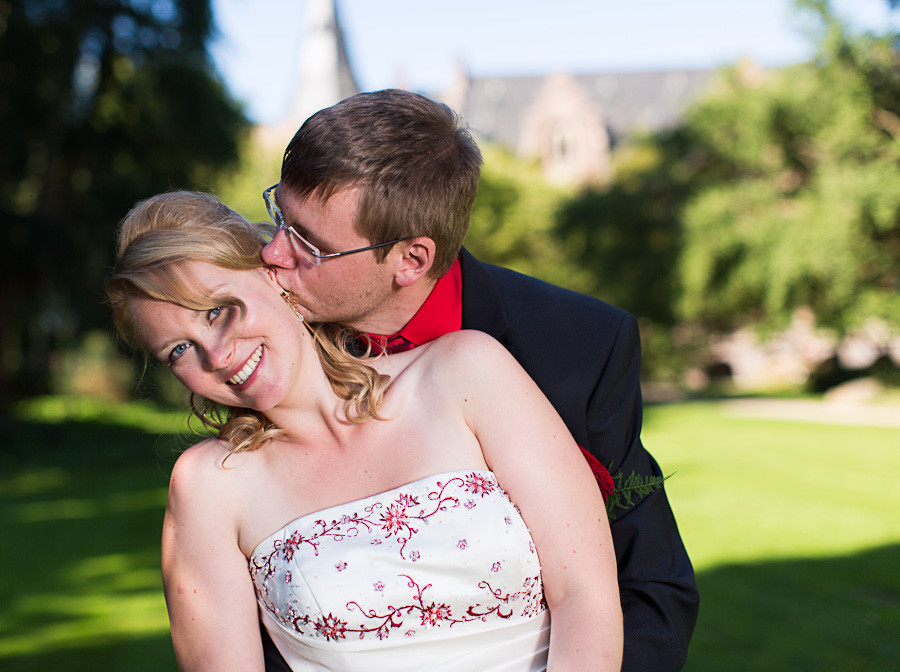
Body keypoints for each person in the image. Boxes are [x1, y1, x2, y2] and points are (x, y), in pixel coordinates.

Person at [261, 89, 699, 671]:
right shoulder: (266, 347)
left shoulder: (580, 347)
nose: (270, 254)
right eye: (278, 217)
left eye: (308, 244)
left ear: (411, 260)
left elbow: (649, 584)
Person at [106, 191, 623, 671]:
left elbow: (586, 595)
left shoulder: (467, 373)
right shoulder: (208, 486)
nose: (216, 355)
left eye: (217, 310)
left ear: (270, 271)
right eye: (178, 350)